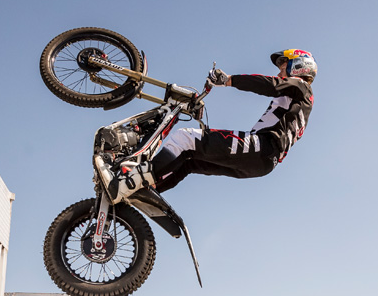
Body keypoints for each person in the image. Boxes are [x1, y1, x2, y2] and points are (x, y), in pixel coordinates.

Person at [103, 49, 317, 203]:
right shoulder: (300, 99)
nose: (279, 73)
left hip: (263, 147)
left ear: (298, 67)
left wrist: (228, 80)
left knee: (185, 138)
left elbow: (269, 84)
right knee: (190, 161)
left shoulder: (301, 86)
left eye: (283, 68)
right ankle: (147, 190)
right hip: (263, 163)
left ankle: (127, 183)